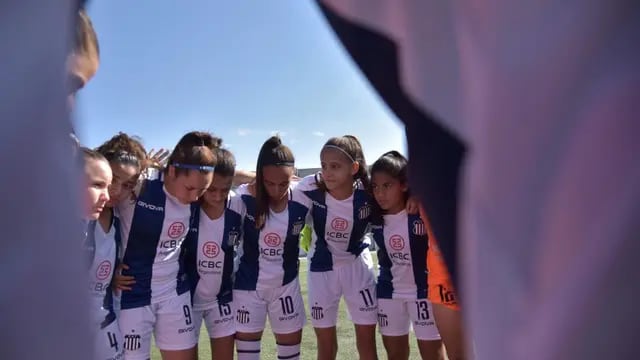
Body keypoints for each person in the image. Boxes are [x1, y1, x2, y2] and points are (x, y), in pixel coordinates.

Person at [115, 131, 220, 360]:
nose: (195, 197)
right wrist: (106, 271)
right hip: (132, 294)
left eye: (202, 190)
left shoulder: (198, 190)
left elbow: (234, 176)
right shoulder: (139, 184)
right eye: (190, 188)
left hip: (174, 292)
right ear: (171, 171)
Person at [294, 135, 378, 360]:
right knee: (325, 344)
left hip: (357, 267)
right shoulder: (310, 187)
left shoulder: (369, 191)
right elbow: (277, 188)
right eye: (323, 165)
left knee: (367, 340)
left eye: (335, 166)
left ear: (354, 168)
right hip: (322, 269)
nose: (327, 172)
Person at [233, 136, 308, 360]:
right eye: (269, 183)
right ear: (259, 176)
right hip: (247, 288)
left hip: (286, 288)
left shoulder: (303, 196)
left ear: (293, 176)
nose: (276, 190)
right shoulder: (243, 197)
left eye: (283, 183)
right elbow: (222, 172)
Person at [369, 151, 443, 360]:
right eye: (375, 186)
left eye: (387, 185)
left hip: (424, 293)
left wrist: (420, 194)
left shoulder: (420, 212)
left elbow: (443, 184)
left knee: (434, 356)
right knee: (395, 356)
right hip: (388, 293)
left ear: (403, 184)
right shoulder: (373, 214)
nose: (380, 193)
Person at [182, 148, 241, 360]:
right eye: (211, 189)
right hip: (186, 301)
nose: (217, 196)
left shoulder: (238, 205)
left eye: (224, 190)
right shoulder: (186, 206)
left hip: (222, 300)